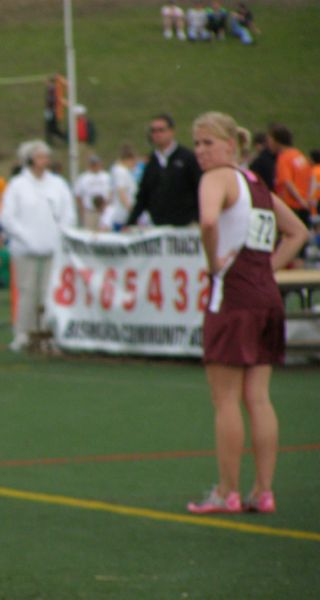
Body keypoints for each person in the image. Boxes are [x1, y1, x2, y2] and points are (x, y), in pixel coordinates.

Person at [187, 111, 307, 515]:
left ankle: (227, 491)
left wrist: (212, 262)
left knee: (226, 400)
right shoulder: (256, 184)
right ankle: (264, 490)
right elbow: (298, 233)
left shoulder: (216, 179)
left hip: (234, 299)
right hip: (266, 299)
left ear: (229, 145)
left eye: (207, 143)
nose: (201, 151)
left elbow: (207, 222)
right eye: (197, 144)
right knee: (258, 397)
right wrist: (267, 268)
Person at [0, 140, 77, 352]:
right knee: (26, 291)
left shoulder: (58, 184)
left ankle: (45, 333)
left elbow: (68, 213)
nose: (45, 160)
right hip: (25, 250)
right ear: (30, 159)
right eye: (40, 156)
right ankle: (23, 333)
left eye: (46, 156)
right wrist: (26, 238)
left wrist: (61, 234)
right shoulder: (17, 185)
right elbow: (7, 217)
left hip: (52, 249)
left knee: (48, 292)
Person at [126, 113, 203, 227]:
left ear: (171, 131)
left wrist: (198, 218)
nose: (157, 134)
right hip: (159, 226)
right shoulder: (151, 162)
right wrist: (130, 223)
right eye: (153, 131)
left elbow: (200, 189)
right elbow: (143, 196)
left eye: (161, 130)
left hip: (186, 227)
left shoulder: (187, 158)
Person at [267, 123, 313, 265]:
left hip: (292, 206)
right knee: (300, 249)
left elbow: (287, 182)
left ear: (276, 140)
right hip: (304, 207)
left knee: (288, 246)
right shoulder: (299, 156)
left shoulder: (284, 158)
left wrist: (299, 200)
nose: (268, 143)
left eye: (270, 139)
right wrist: (307, 200)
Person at [100, 144, 139, 231]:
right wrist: (132, 211)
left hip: (121, 213)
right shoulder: (121, 172)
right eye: (134, 162)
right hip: (123, 215)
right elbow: (121, 193)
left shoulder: (118, 170)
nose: (135, 165)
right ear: (129, 160)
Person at [74, 154, 111, 230]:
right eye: (93, 164)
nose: (95, 166)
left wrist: (107, 205)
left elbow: (111, 192)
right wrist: (82, 211)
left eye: (97, 164)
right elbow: (78, 195)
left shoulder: (106, 177)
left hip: (104, 211)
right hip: (90, 211)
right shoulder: (83, 178)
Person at [44, 74, 68, 146]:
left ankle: (65, 138)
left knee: (53, 128)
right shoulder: (51, 88)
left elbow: (53, 99)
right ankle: (49, 141)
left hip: (52, 111)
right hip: (49, 111)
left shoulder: (54, 88)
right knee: (49, 127)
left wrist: (53, 79)